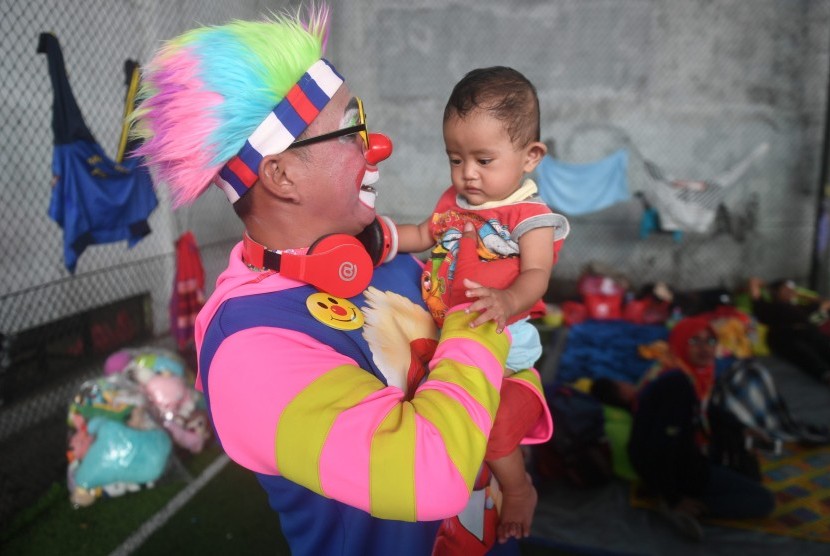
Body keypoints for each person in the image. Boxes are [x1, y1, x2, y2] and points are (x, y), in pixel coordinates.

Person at [131, 8, 551, 556]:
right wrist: (483, 297)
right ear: (281, 174)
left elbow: (507, 371)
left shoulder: (376, 258)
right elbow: (431, 472)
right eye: (354, 132)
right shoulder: (249, 347)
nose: (377, 146)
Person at [393, 66, 568, 543]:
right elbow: (423, 235)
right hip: (451, 333)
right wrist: (383, 236)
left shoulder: (530, 216)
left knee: (486, 428)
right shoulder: (454, 201)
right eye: (455, 158)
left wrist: (506, 299)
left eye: (483, 160)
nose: (467, 173)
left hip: (501, 339)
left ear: (530, 157)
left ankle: (518, 489)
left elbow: (536, 275)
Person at [627, 317, 775, 541]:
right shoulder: (676, 384)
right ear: (680, 343)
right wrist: (673, 497)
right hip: (678, 468)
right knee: (762, 501)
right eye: (694, 341)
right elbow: (661, 445)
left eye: (710, 341)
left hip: (687, 452)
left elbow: (709, 411)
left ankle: (677, 496)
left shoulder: (687, 373)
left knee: (748, 472)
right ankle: (677, 507)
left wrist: (741, 429)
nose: (704, 348)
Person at [749, 277, 830, 385]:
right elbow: (753, 282)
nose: (791, 292)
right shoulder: (769, 306)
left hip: (808, 331)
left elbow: (826, 302)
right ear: (775, 292)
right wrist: (769, 286)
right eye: (786, 290)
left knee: (824, 344)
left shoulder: (800, 306)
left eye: (792, 290)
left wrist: (803, 295)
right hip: (785, 333)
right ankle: (826, 375)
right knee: (804, 353)